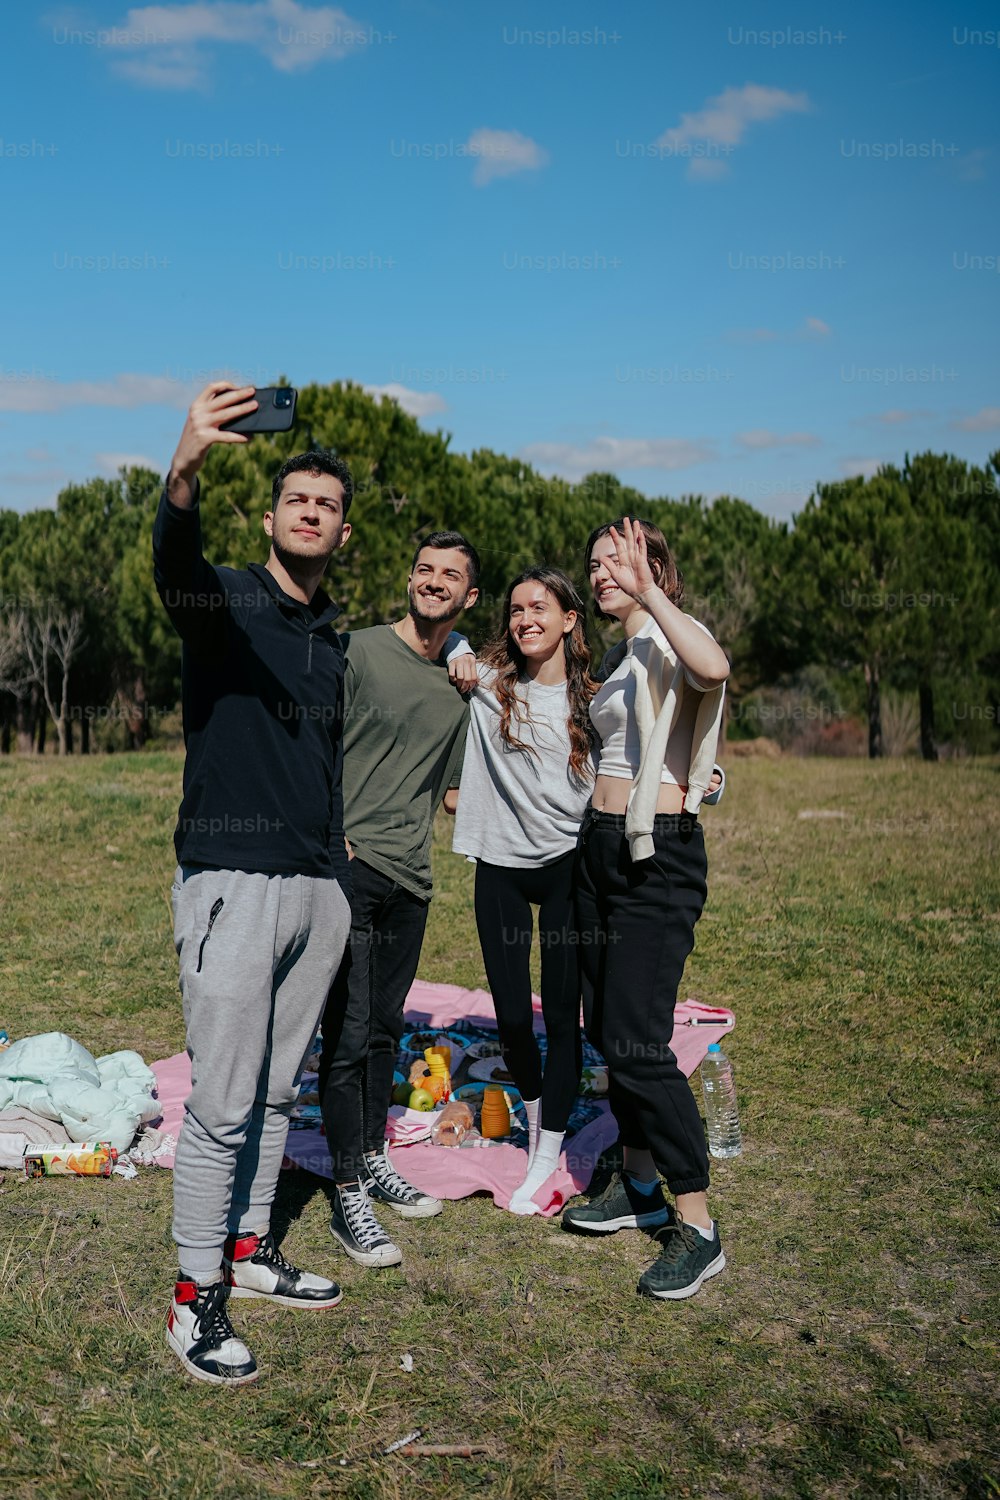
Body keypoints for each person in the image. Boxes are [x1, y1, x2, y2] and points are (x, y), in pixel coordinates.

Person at [153, 382, 353, 1385]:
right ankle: (196, 1300)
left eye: (327, 503)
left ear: (342, 531)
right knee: (224, 1102)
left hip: (317, 890)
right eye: (296, 500)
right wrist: (183, 468)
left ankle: (249, 1245)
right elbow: (171, 566)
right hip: (232, 882)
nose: (310, 511)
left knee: (277, 1094)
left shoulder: (333, 642)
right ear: (271, 518)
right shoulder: (225, 599)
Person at [563, 516, 730, 1302]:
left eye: (615, 560)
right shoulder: (626, 652)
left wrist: (652, 595)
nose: (600, 574)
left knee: (635, 1039)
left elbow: (714, 667)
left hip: (654, 856)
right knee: (608, 1028)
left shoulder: (669, 632)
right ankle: (635, 1184)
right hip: (601, 847)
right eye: (593, 564)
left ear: (654, 566)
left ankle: (695, 1223)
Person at [319, 533, 480, 1266]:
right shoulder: (357, 650)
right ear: (408, 578)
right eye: (423, 569)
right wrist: (332, 837)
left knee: (385, 1030)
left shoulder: (460, 681)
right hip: (349, 866)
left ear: (468, 598)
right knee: (347, 1034)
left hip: (412, 877)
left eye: (450, 576)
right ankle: (347, 1188)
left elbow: (452, 792)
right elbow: (315, 743)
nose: (433, 582)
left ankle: (374, 1153)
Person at [452, 567, 599, 1213]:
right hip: (500, 865)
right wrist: (457, 653)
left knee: (563, 1019)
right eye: (515, 609)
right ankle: (538, 1117)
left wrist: (713, 778)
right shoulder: (486, 683)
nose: (525, 619)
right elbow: (435, 641)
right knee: (513, 1016)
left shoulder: (598, 697)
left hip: (570, 865)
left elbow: (662, 743)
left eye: (540, 607)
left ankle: (548, 1154)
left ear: (570, 618)